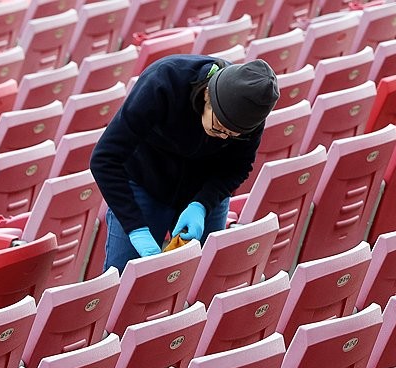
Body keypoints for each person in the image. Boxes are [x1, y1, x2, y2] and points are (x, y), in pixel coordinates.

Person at [90, 55, 280, 272]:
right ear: (207, 95)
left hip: (203, 189)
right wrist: (136, 228)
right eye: (218, 127)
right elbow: (104, 158)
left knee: (201, 277)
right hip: (146, 181)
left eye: (231, 135)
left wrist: (202, 204)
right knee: (124, 279)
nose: (222, 137)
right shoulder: (163, 81)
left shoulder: (251, 113)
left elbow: (238, 167)